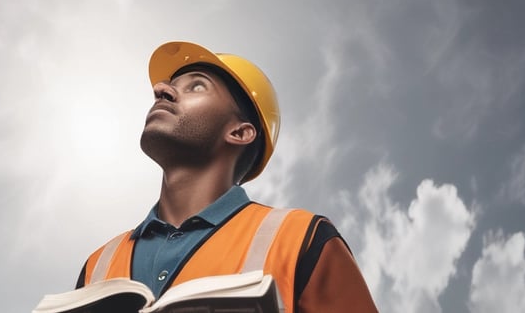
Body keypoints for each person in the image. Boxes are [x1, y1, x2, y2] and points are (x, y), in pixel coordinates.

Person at [75, 41, 378, 312]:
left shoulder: (300, 238)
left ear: (240, 132)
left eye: (197, 86)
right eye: (170, 84)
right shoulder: (98, 265)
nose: (162, 90)